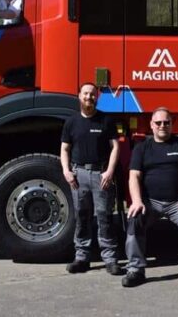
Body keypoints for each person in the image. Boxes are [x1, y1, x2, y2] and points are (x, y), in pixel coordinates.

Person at [122, 107, 178, 288]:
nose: (162, 126)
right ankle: (135, 270)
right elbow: (134, 176)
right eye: (158, 123)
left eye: (166, 123)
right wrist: (136, 201)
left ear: (171, 124)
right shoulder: (142, 147)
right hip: (150, 202)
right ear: (151, 125)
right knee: (134, 217)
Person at [59, 82, 123, 275]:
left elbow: (116, 147)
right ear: (79, 96)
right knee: (82, 216)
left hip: (100, 175)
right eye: (86, 93)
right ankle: (81, 258)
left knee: (104, 217)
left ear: (98, 97)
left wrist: (110, 171)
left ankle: (110, 259)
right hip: (78, 176)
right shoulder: (71, 122)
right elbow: (64, 148)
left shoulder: (106, 121)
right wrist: (66, 171)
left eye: (93, 94)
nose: (89, 97)